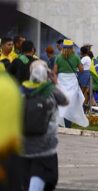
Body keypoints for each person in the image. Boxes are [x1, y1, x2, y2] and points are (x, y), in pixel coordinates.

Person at [20, 61, 68, 191]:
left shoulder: (22, 91)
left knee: (27, 175)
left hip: (24, 143)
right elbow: (65, 100)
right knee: (45, 174)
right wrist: (55, 82)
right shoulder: (50, 90)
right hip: (46, 145)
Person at [53, 39, 88, 128]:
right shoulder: (76, 57)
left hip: (61, 81)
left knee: (61, 102)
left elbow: (55, 71)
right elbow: (81, 70)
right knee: (71, 103)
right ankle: (68, 124)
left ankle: (61, 123)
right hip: (72, 81)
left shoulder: (58, 57)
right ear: (72, 48)